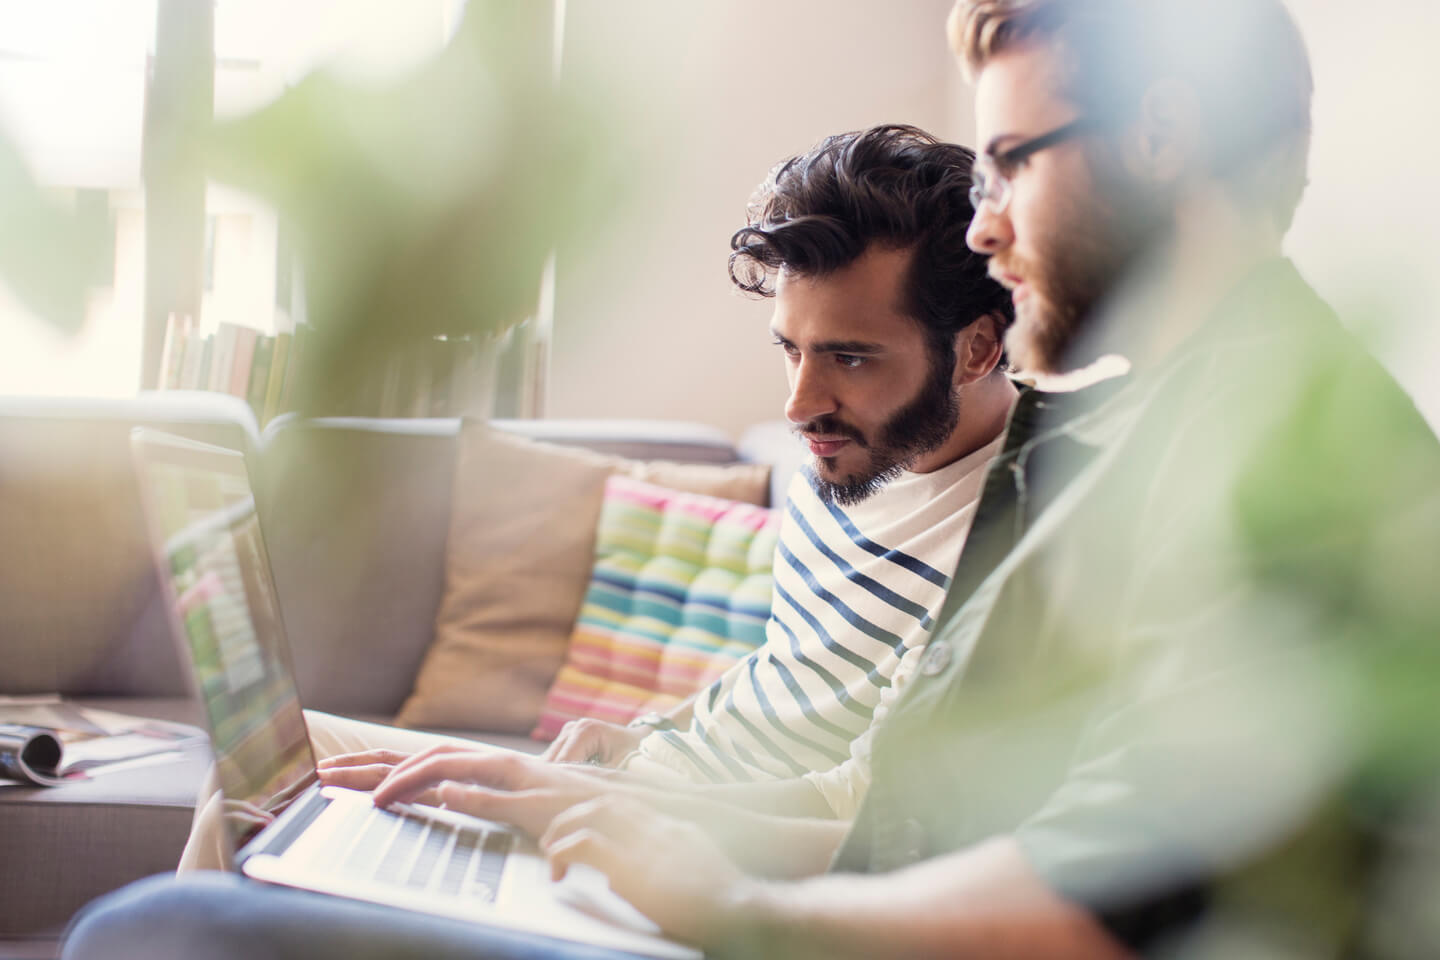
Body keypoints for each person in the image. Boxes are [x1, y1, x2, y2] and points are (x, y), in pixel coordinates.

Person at [64, 0, 1440, 957]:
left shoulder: (1290, 456)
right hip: (780, 905)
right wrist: (622, 814)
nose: (989, 219)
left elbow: (1088, 918)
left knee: (157, 932)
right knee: (237, 864)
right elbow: (885, 809)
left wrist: (715, 902)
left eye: (1016, 156)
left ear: (1159, 135)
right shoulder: (1143, 427)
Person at [174, 123, 1019, 875]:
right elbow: (791, 671)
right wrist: (642, 739)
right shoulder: (855, 450)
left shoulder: (1012, 539)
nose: (799, 404)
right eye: (790, 350)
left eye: (851, 357)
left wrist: (586, 802)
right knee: (272, 765)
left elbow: (858, 820)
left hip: (685, 851)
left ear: (977, 348)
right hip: (634, 788)